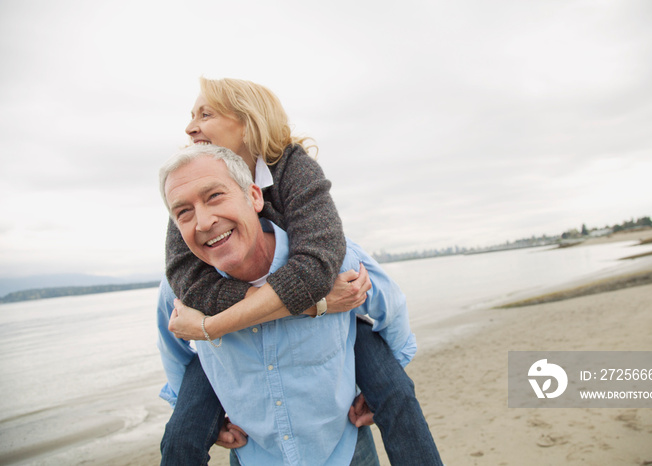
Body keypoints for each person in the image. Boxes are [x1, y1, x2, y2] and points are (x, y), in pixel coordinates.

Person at [160, 77, 442, 465]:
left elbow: (319, 262)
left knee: (396, 395)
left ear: (248, 121)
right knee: (180, 437)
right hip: (298, 304)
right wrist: (314, 305)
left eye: (205, 114)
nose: (191, 127)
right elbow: (186, 284)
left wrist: (211, 327)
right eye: (191, 116)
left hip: (329, 293)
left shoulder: (292, 167)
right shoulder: (189, 187)